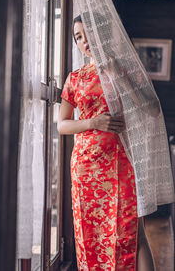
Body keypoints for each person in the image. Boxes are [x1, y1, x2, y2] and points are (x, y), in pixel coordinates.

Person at [58, 16, 155, 270]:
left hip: (122, 162)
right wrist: (92, 123)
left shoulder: (124, 69)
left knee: (132, 234)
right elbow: (62, 125)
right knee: (89, 237)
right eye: (78, 36)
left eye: (87, 32)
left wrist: (116, 74)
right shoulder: (75, 78)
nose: (84, 40)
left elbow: (152, 108)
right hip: (85, 168)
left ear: (100, 32)